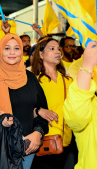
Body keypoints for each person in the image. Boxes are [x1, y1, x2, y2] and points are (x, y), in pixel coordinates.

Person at [0, 33, 49, 169]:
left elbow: (43, 112)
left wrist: (38, 133)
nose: (12, 52)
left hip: (27, 146)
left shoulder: (30, 78)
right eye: (7, 48)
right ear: (0, 50)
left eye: (17, 48)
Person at [31, 37, 74, 169]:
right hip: (44, 142)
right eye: (52, 49)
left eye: (58, 49)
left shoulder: (68, 81)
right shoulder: (34, 80)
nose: (57, 52)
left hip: (68, 142)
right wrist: (39, 111)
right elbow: (22, 109)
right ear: (41, 54)